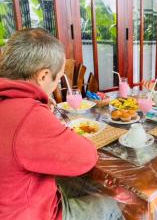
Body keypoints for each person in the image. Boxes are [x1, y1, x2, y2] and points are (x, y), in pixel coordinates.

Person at [0, 28, 123, 220]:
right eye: (57, 79)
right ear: (43, 76)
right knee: (111, 204)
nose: (56, 85)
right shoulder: (28, 115)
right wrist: (39, 114)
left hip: (13, 201)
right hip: (30, 213)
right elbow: (87, 158)